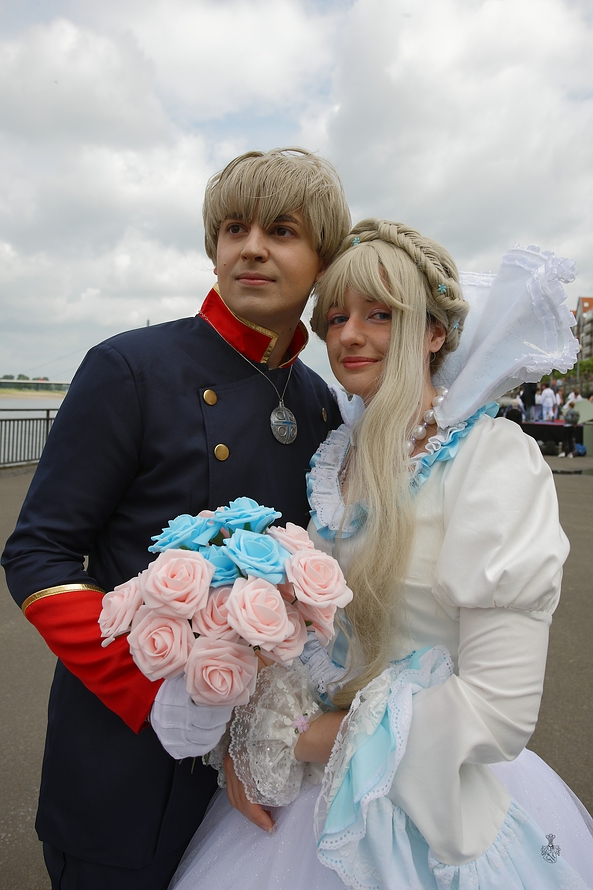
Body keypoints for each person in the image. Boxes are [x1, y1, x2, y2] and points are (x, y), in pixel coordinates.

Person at [170, 222, 592, 889]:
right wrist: (253, 728)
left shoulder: (491, 460)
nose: (348, 336)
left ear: (433, 333)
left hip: (426, 798)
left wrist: (295, 738)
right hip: (302, 799)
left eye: (379, 315)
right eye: (335, 317)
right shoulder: (333, 458)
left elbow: (498, 707)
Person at [1, 147, 351, 889]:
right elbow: (38, 554)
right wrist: (150, 686)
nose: (250, 247)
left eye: (281, 230)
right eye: (232, 228)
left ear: (322, 257)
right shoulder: (130, 368)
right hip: (126, 751)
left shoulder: (321, 401)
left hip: (259, 764)